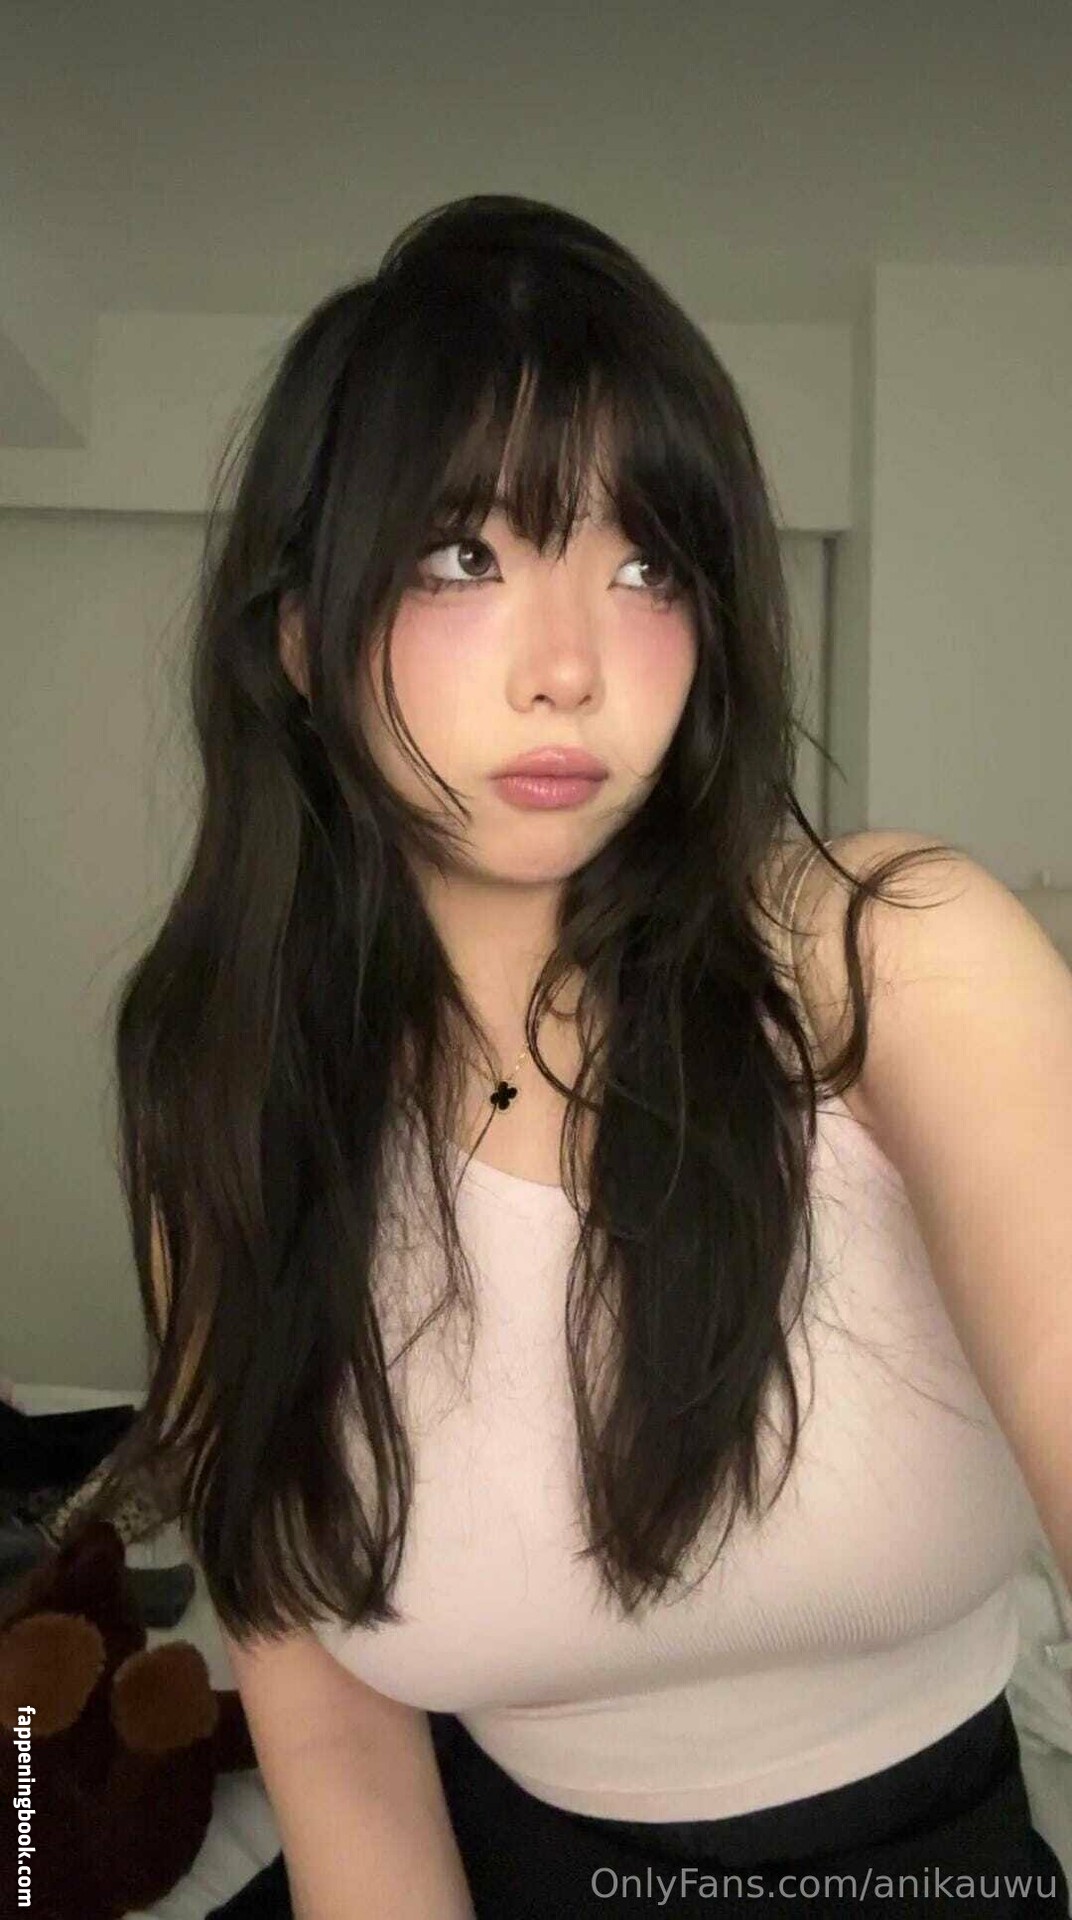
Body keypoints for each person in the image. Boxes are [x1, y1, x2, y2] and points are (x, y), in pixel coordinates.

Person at [87, 196, 1067, 1916]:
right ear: (302, 637)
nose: (573, 670)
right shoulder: (223, 1095)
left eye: (649, 566)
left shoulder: (889, 960)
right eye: (463, 557)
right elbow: (338, 1748)